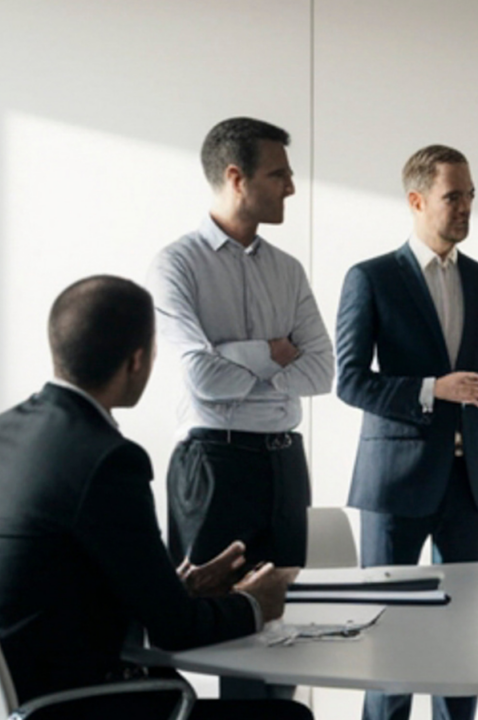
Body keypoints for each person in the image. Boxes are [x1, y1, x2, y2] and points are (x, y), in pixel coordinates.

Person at [0, 275, 309, 720]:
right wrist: (257, 602)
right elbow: (175, 631)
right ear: (137, 360)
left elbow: (58, 580)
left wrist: (177, 589)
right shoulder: (107, 459)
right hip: (77, 703)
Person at [335, 144, 478, 720]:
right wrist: (430, 390)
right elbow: (348, 381)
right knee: (390, 644)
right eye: (452, 196)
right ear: (416, 200)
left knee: (462, 645)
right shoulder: (371, 278)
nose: (465, 207)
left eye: (469, 195)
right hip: (395, 486)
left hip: (470, 485)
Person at [148, 117, 334, 574]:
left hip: (286, 460)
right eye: (279, 174)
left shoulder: (288, 269)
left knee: (285, 612)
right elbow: (201, 376)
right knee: (205, 614)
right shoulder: (176, 266)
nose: (290, 187)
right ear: (236, 177)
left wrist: (232, 356)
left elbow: (323, 371)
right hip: (213, 462)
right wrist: (272, 354)